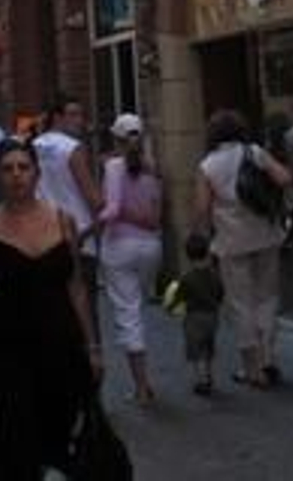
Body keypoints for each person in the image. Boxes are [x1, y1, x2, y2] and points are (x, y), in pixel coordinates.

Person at [0, 138, 100, 477]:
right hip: (9, 345)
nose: (16, 175)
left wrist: (92, 346)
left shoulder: (64, 222)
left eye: (23, 168)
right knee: (16, 429)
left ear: (37, 174)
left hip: (60, 342)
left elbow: (76, 287)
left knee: (58, 424)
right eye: (8, 169)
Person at [194, 108, 293, 389]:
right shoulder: (255, 152)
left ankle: (252, 368)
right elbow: (284, 178)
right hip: (265, 234)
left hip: (231, 241)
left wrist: (202, 235)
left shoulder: (207, 166)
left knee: (241, 304)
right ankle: (268, 358)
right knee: (267, 297)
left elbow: (201, 209)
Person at [97, 112, 163, 405]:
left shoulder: (113, 167)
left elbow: (112, 208)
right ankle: (143, 381)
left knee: (128, 314)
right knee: (139, 306)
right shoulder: (153, 169)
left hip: (120, 247)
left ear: (117, 140)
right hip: (151, 247)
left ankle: (142, 386)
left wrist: (87, 229)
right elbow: (156, 215)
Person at [32, 97, 103, 327]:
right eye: (74, 115)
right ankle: (90, 354)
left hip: (44, 234)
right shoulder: (72, 148)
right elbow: (93, 197)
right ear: (57, 117)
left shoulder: (34, 146)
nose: (80, 121)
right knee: (85, 305)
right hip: (79, 234)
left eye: (81, 115)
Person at [165, 230, 225, 396]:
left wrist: (170, 308)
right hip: (212, 317)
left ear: (188, 256)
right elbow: (221, 293)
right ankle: (209, 375)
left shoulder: (187, 278)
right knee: (208, 347)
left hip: (194, 318)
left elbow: (178, 297)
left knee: (195, 350)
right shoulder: (215, 276)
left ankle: (202, 381)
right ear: (207, 252)